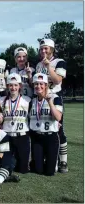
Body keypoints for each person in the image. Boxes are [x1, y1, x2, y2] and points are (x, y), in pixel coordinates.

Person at [35, 39, 68, 173]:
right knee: (42, 128)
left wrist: (49, 67)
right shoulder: (38, 65)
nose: (43, 51)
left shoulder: (59, 62)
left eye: (46, 48)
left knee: (58, 129)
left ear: (52, 50)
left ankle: (64, 161)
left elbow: (57, 80)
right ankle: (48, 158)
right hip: (41, 98)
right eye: (42, 49)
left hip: (54, 97)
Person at [29, 73, 63, 176]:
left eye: (41, 84)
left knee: (49, 172)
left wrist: (50, 102)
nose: (38, 86)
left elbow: (58, 117)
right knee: (38, 170)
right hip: (37, 137)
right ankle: (41, 159)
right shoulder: (33, 100)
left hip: (51, 137)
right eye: (36, 84)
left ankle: (53, 161)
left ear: (46, 85)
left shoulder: (55, 97)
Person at [0, 73, 31, 174]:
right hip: (7, 136)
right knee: (6, 166)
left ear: (20, 86)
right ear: (7, 86)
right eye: (11, 85)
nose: (13, 87)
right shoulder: (1, 100)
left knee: (23, 170)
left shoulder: (27, 100)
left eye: (16, 85)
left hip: (22, 135)